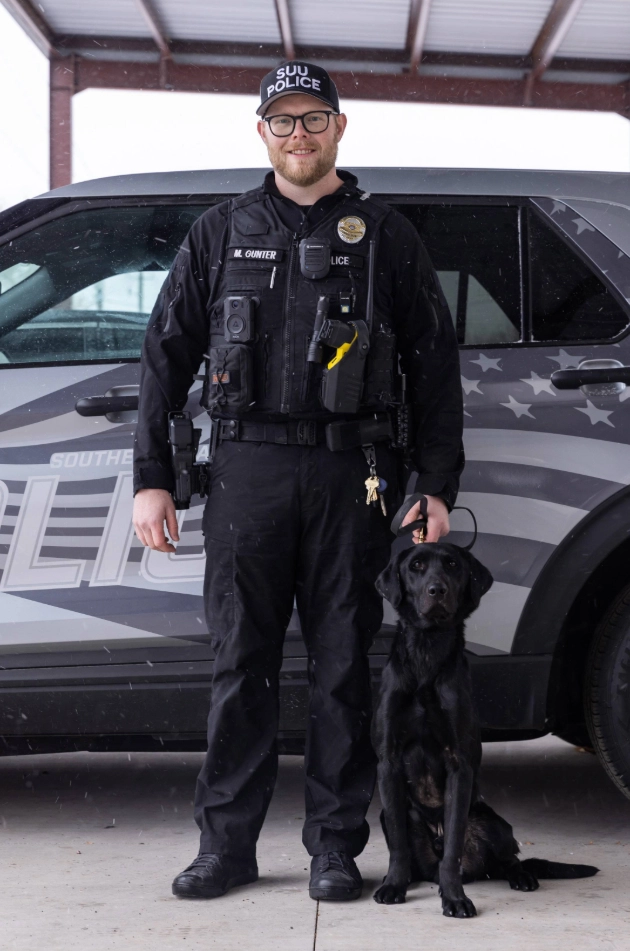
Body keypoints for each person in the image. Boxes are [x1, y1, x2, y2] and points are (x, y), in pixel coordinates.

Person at [132, 61, 464, 903]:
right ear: (262, 134)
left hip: (356, 473)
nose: (299, 135)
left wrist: (435, 481)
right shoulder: (218, 232)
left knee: (343, 664)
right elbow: (163, 361)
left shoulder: (387, 234)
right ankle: (227, 847)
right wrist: (153, 479)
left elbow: (434, 370)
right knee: (240, 662)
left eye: (314, 118)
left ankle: (334, 846)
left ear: (340, 127)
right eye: (283, 121)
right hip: (246, 471)